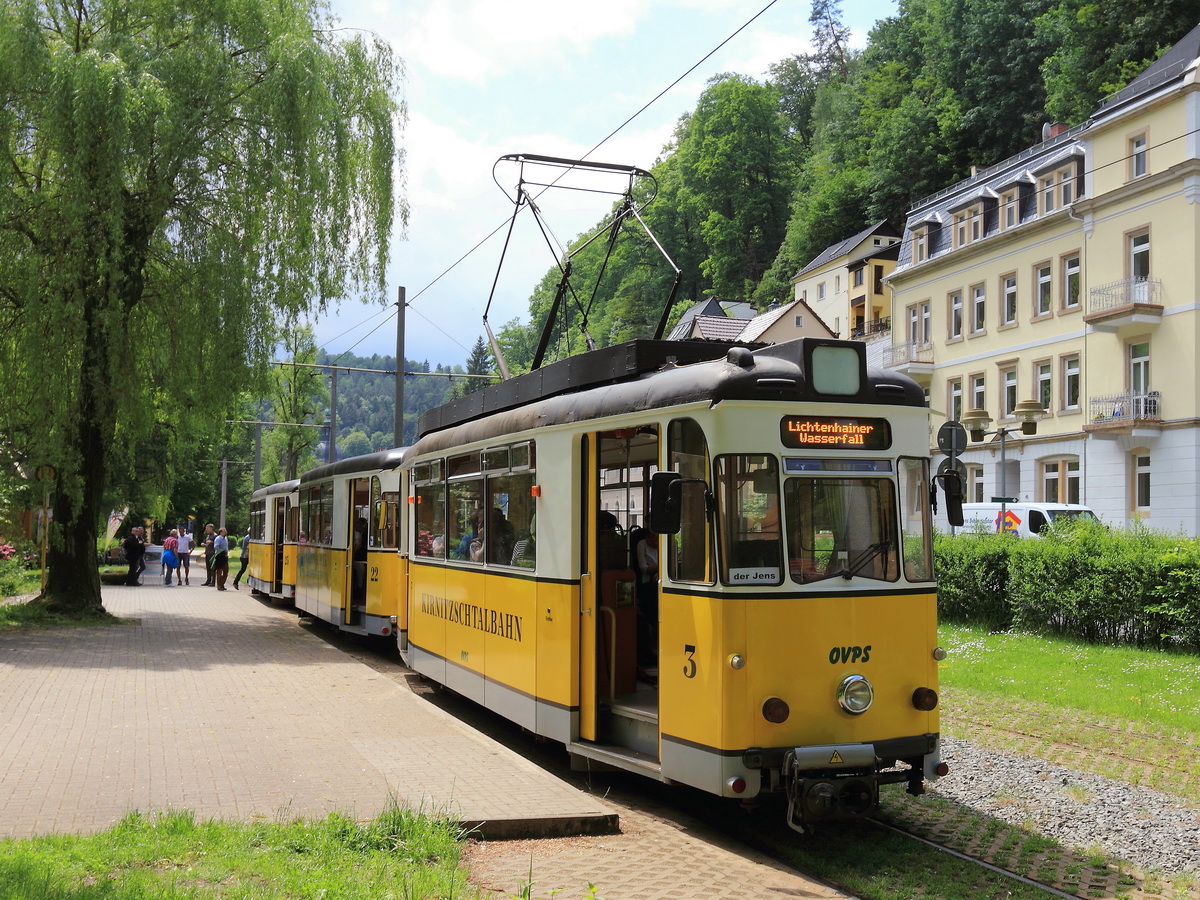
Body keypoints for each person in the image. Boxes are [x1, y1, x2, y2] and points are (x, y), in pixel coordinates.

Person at [633, 527, 659, 667]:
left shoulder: (662, 544)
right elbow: (644, 568)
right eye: (653, 538)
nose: (655, 541)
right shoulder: (641, 544)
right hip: (646, 583)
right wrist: (659, 567)